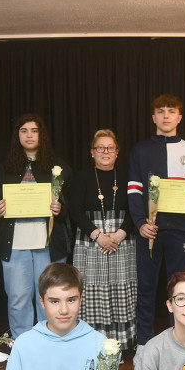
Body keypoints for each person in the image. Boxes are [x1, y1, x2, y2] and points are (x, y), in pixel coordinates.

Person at [128, 94, 185, 346]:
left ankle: (180, 342)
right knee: (147, 288)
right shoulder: (140, 150)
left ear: (179, 117)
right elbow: (134, 191)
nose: (166, 115)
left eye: (171, 111)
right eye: (160, 111)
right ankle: (143, 345)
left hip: (181, 230)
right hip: (149, 230)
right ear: (153, 117)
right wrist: (140, 223)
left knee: (181, 291)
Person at [0, 113, 72, 339]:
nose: (29, 135)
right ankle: (22, 345)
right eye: (24, 131)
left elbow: (72, 207)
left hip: (48, 243)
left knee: (49, 297)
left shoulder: (58, 166)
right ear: (17, 136)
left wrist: (60, 209)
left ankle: (50, 342)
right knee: (18, 298)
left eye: (34, 130)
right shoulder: (5, 168)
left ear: (41, 135)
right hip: (15, 244)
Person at [70, 129, 137, 350]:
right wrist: (98, 235)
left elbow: (136, 209)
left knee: (121, 292)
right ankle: (92, 344)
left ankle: (120, 344)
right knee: (91, 293)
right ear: (92, 152)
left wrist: (119, 234)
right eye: (100, 147)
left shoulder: (128, 177)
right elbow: (75, 211)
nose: (105, 152)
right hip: (90, 242)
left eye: (110, 147)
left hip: (122, 241)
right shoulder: (81, 177)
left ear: (117, 152)